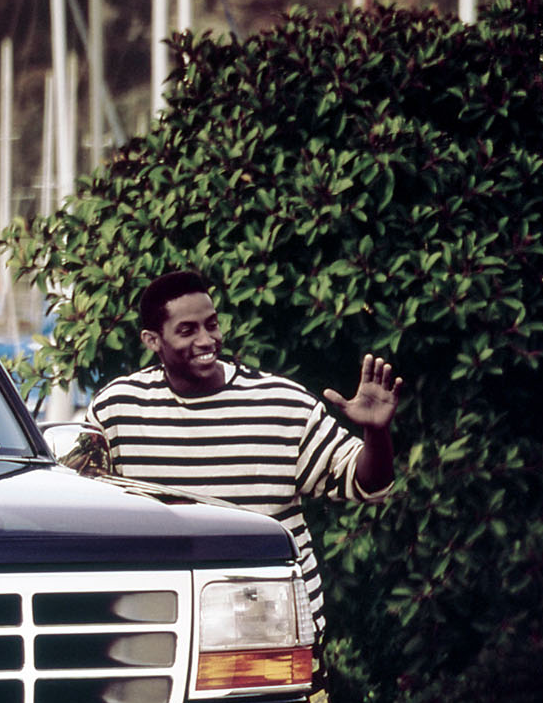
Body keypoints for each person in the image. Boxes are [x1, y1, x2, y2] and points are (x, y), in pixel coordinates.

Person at [89, 269, 401, 638]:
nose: (207, 340)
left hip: (274, 636)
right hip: (163, 631)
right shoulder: (117, 409)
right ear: (152, 340)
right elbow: (87, 507)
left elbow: (368, 485)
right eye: (187, 330)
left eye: (212, 325)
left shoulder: (282, 404)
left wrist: (376, 432)